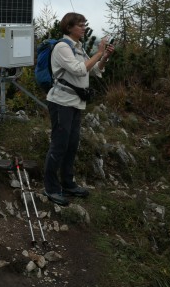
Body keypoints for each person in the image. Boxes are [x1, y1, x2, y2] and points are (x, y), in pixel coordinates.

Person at [43, 12, 114, 206]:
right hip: (61, 102)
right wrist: (99, 52)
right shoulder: (62, 47)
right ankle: (51, 188)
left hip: (74, 103)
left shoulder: (78, 47)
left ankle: (68, 183)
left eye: (85, 25)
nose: (84, 28)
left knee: (71, 145)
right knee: (59, 145)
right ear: (69, 28)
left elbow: (95, 69)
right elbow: (79, 69)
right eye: (80, 25)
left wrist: (104, 57)